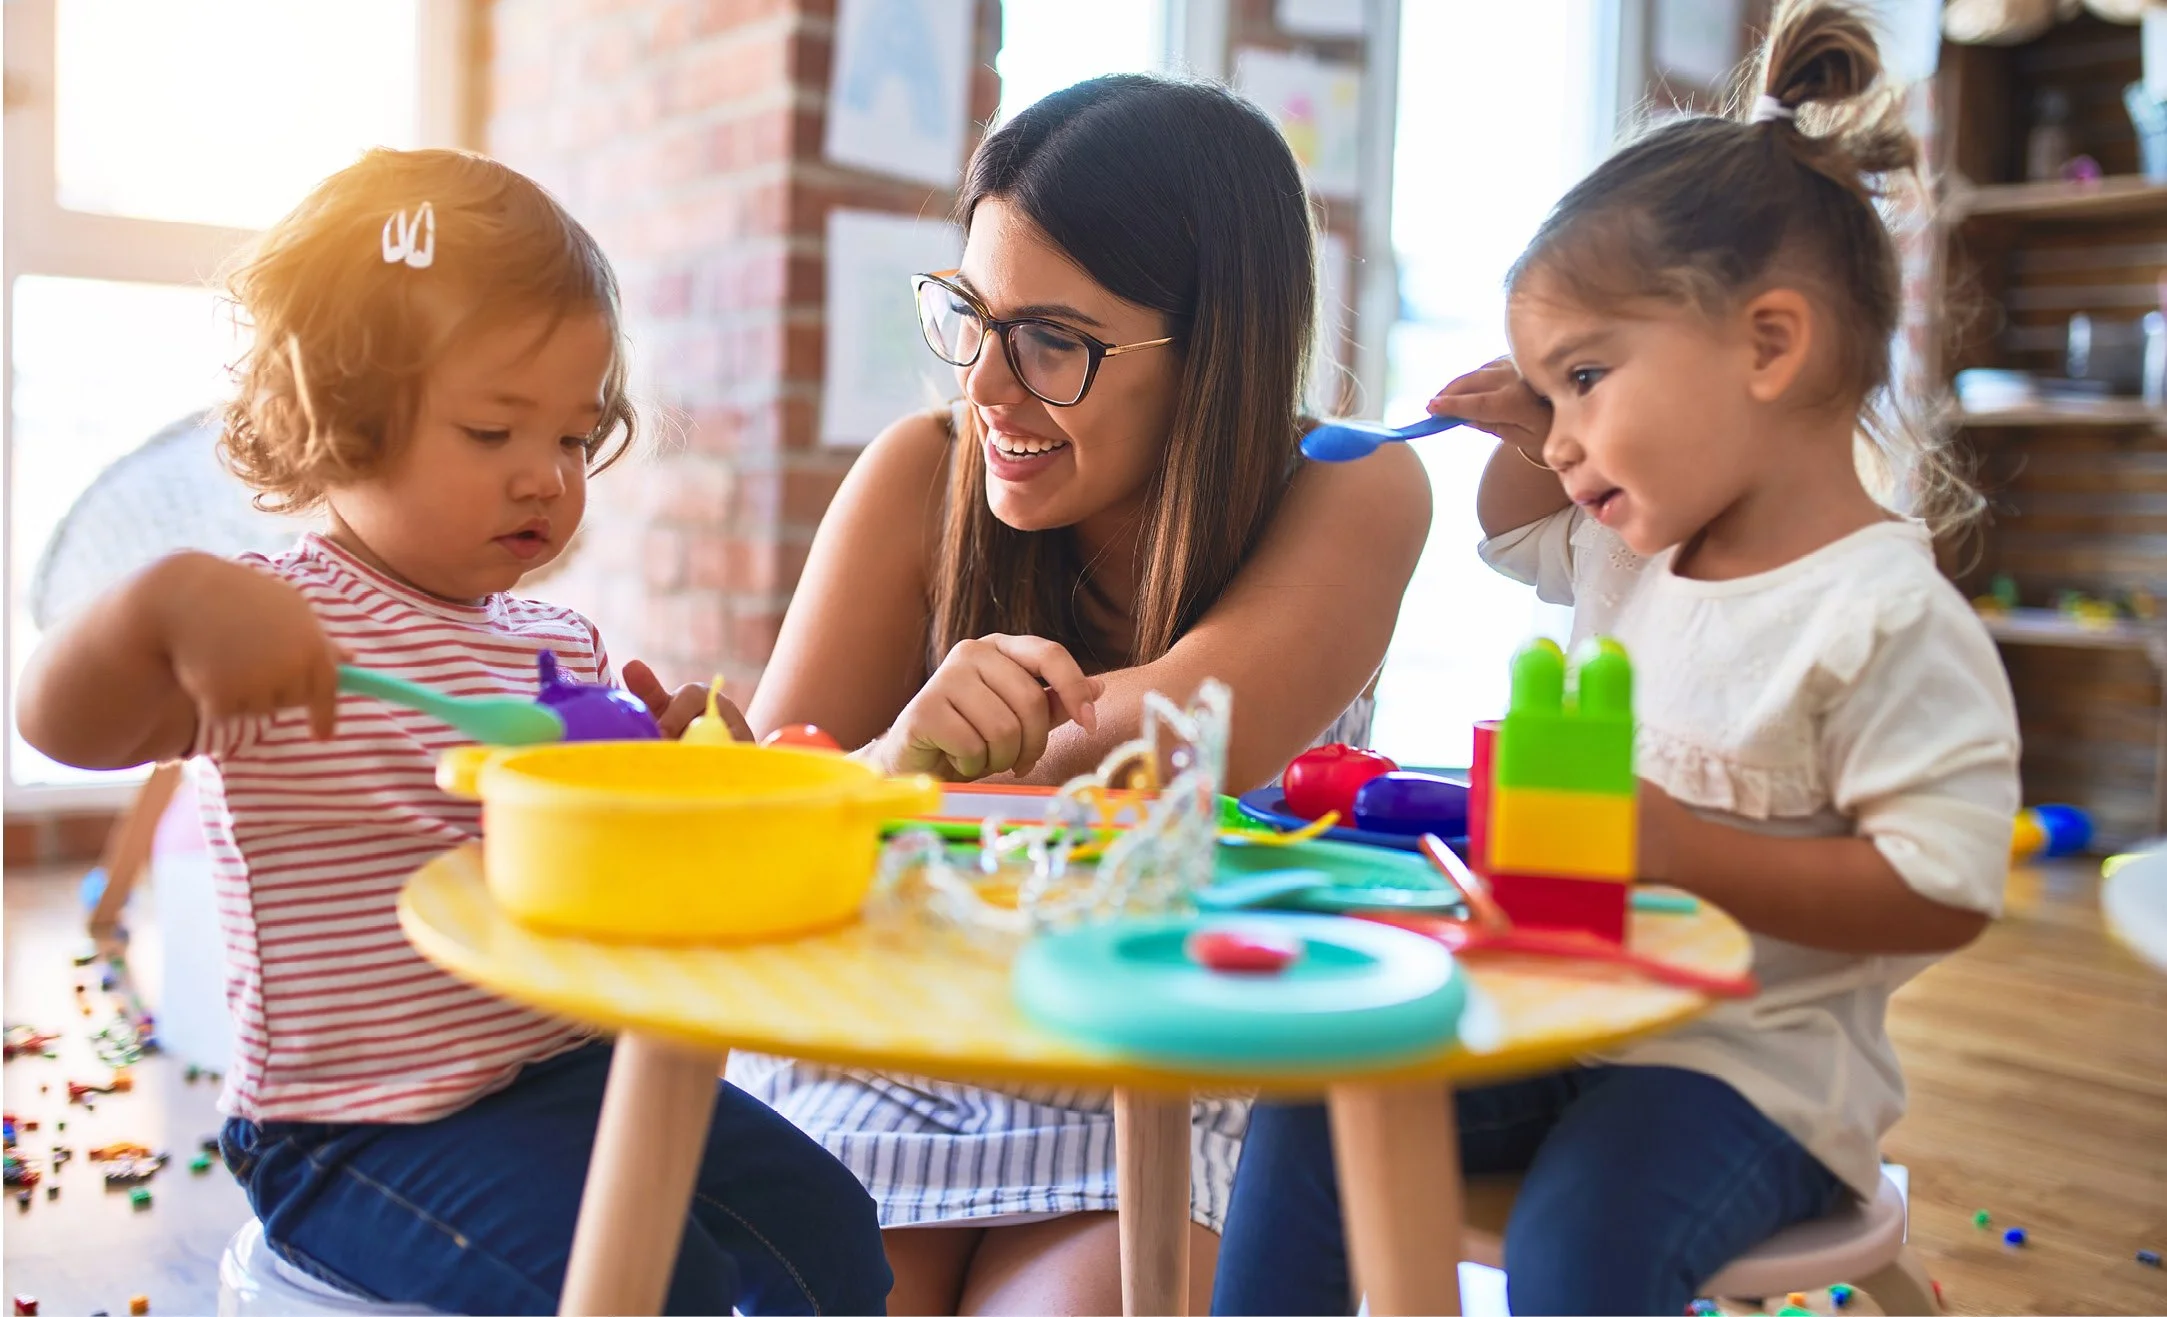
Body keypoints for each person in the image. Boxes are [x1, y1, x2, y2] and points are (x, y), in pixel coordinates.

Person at [1211, 3, 2022, 1313]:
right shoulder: (1632, 549)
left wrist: (1688, 853)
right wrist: (1526, 424)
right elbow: (1509, 524)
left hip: (1751, 1075)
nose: (1561, 432)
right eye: (1547, 391)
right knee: (1315, 1097)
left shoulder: (1879, 615)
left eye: (1584, 378)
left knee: (1581, 1239)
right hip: (1563, 1015)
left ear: (1767, 344)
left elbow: (1942, 889)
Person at [15, 148, 890, 1316]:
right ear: (340, 415)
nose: (545, 477)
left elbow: (621, 864)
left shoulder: (560, 646)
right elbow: (56, 722)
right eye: (493, 432)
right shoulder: (275, 623)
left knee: (830, 1230)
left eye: (576, 440)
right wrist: (160, 606)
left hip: (571, 1073)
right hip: (355, 1132)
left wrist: (691, 772)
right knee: (654, 1283)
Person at [733, 74, 1432, 1315]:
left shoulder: (1352, 486)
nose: (990, 386)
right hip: (896, 1042)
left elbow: (1182, 735)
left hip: (1175, 1068)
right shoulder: (917, 476)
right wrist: (895, 750)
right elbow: (764, 819)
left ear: (1213, 350)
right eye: (971, 315)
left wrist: (936, 761)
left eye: (1052, 340)